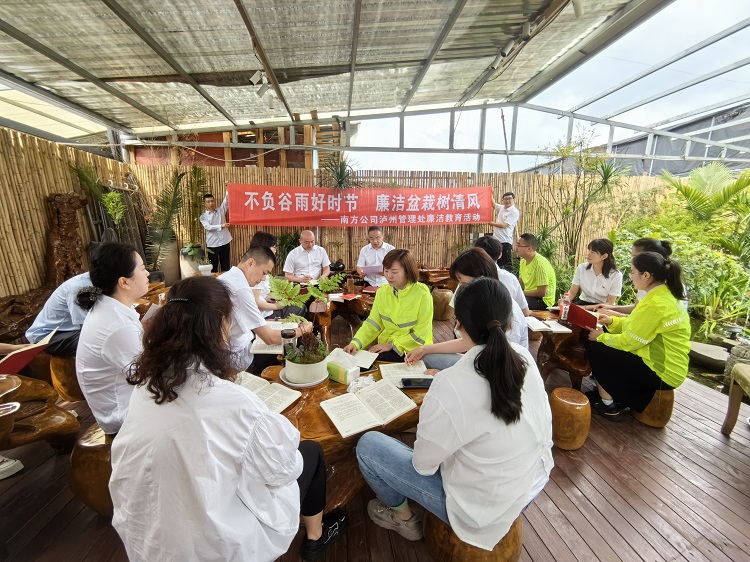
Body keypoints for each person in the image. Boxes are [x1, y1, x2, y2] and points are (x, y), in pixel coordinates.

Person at [109, 276, 346, 562]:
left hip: (145, 537)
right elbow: (284, 469)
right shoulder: (233, 402)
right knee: (310, 453)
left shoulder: (146, 386)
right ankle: (316, 537)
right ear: (219, 326)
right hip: (216, 545)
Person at [356, 277, 553, 549]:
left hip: (480, 511)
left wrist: (442, 396)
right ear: (509, 323)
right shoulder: (523, 356)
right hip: (533, 481)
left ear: (457, 324)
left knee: (368, 445)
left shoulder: (451, 385)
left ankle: (403, 518)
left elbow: (423, 466)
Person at [586, 252, 690, 421]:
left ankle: (608, 405)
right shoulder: (664, 296)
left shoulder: (655, 303)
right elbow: (635, 326)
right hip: (669, 367)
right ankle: (615, 396)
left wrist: (600, 337)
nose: (631, 276)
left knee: (597, 349)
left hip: (662, 373)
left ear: (646, 275)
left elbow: (629, 342)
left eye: (633, 272)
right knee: (605, 344)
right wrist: (611, 321)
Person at [406, 248, 528, 373]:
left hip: (497, 372)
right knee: (426, 357)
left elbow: (497, 371)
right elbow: (467, 342)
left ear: (481, 279)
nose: (459, 288)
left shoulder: (508, 314)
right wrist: (425, 349)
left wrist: (443, 375)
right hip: (479, 361)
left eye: (462, 282)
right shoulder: (483, 303)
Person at [75, 243, 150, 434]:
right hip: (123, 417)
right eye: (142, 269)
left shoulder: (109, 307)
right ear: (124, 282)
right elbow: (150, 375)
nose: (148, 273)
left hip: (125, 403)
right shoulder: (117, 326)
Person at [218, 245, 313, 375]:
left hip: (237, 344)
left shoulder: (226, 277)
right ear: (250, 263)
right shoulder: (241, 290)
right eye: (264, 273)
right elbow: (270, 338)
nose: (263, 279)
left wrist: (278, 321)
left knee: (291, 328)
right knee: (298, 340)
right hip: (241, 357)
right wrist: (303, 330)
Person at [343, 249, 433, 363]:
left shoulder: (422, 294)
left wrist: (391, 345)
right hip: (389, 346)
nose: (389, 276)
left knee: (372, 363)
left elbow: (421, 334)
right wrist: (355, 343)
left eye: (394, 272)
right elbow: (373, 323)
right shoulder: (382, 292)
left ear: (407, 271)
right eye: (386, 271)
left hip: (416, 350)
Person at [596, 237, 682, 316]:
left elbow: (643, 320)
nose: (633, 261)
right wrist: (611, 308)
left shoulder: (660, 294)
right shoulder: (647, 281)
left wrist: (614, 315)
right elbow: (636, 308)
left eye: (635, 257)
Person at [25, 272, 91, 356]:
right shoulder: (80, 287)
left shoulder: (100, 284)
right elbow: (88, 327)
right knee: (98, 342)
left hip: (72, 330)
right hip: (48, 336)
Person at [249, 231, 307, 320]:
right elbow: (255, 302)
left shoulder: (257, 264)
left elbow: (260, 295)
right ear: (265, 247)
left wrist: (270, 298)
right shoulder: (257, 269)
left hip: (266, 307)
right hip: (263, 314)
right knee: (300, 308)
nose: (275, 250)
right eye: (274, 247)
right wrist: (276, 306)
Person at [474, 236, 529, 315]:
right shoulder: (510, 278)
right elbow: (525, 312)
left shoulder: (467, 278)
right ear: (500, 254)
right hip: (508, 322)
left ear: (476, 255)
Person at [567, 238, 622, 306]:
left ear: (604, 256)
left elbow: (609, 303)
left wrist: (586, 308)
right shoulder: (581, 268)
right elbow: (572, 292)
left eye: (593, 252)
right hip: (583, 303)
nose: (588, 254)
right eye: (589, 250)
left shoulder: (616, 275)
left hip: (604, 307)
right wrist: (565, 301)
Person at [516, 233, 556, 310]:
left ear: (529, 248)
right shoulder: (523, 261)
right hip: (529, 297)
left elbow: (542, 292)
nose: (516, 248)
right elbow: (521, 284)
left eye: (519, 245)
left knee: (517, 303)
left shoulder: (540, 264)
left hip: (543, 301)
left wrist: (521, 294)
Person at [200, 191, 232, 273]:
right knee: (213, 267)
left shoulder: (221, 210)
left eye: (212, 201)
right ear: (205, 204)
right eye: (208, 202)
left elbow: (226, 201)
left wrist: (227, 189)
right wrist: (221, 225)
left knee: (226, 265)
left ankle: (226, 280)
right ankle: (213, 281)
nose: (211, 203)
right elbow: (208, 227)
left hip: (225, 241)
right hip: (212, 244)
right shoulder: (203, 217)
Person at [489, 192, 520, 271]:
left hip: (505, 241)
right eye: (505, 199)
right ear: (502, 200)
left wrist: (492, 224)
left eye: (509, 198)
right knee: (497, 264)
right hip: (497, 241)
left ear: (513, 199)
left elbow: (504, 225)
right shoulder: (502, 208)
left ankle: (509, 278)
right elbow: (493, 204)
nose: (507, 201)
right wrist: (489, 192)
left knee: (506, 265)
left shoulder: (514, 212)